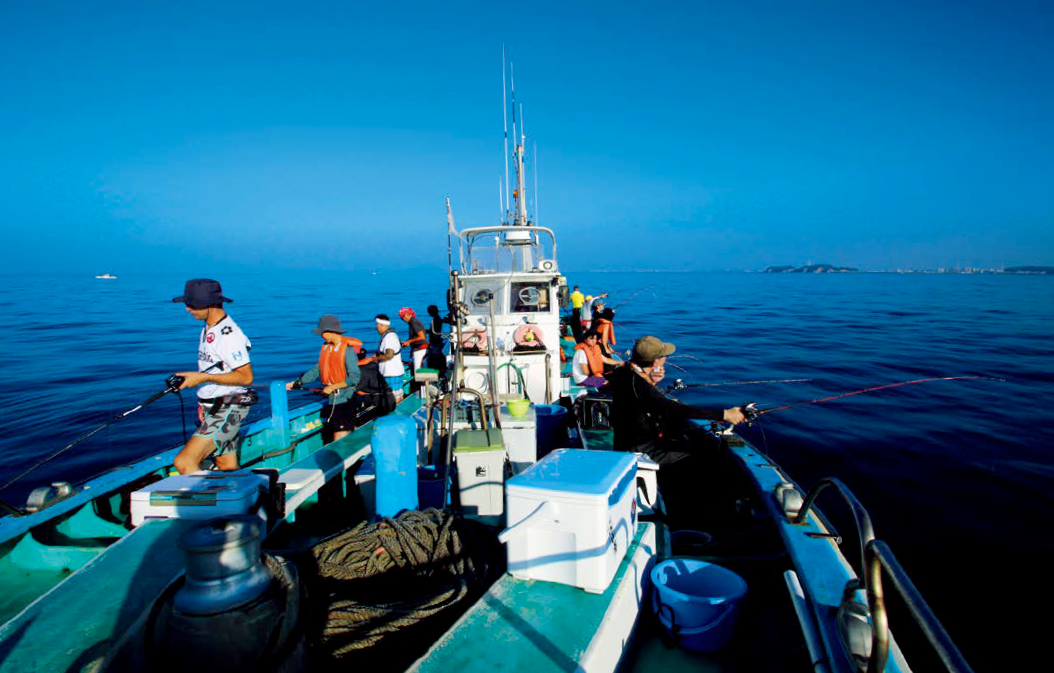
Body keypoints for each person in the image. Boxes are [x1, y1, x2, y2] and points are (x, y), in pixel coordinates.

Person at [608, 336, 746, 525]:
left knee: (687, 442)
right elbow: (674, 409)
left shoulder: (623, 373)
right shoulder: (639, 385)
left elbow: (643, 399)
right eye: (664, 356)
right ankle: (701, 513)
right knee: (702, 455)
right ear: (656, 361)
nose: (666, 359)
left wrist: (652, 380)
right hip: (642, 449)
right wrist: (724, 414)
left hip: (627, 441)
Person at [170, 279, 254, 474]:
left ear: (208, 305)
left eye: (190, 305)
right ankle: (245, 502)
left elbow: (245, 377)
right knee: (226, 466)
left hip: (227, 408)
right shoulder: (209, 328)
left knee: (184, 462)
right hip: (213, 406)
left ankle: (208, 504)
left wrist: (202, 378)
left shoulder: (228, 336)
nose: (186, 309)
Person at [286, 315, 362, 443]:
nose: (321, 336)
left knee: (340, 437)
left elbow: (355, 377)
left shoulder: (347, 350)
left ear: (329, 332)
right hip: (333, 399)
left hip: (344, 399)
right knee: (344, 429)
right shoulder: (327, 347)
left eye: (322, 333)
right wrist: (298, 382)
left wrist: (332, 387)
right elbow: (317, 370)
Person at [362, 314, 405, 403]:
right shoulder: (392, 335)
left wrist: (376, 359)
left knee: (393, 396)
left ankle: (394, 413)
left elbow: (389, 355)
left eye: (377, 325)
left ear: (382, 325)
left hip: (391, 372)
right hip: (396, 371)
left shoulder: (388, 337)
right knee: (398, 394)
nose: (376, 327)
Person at [398, 307, 428, 374]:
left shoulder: (414, 322)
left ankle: (423, 384)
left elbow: (422, 337)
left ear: (408, 314)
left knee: (419, 371)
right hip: (418, 349)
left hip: (420, 349)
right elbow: (416, 336)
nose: (403, 319)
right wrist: (406, 341)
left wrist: (409, 341)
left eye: (403, 317)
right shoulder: (412, 322)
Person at [426, 304, 451, 375]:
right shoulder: (437, 318)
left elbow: (435, 331)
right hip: (435, 341)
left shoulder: (436, 319)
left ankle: (439, 372)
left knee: (435, 357)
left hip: (435, 341)